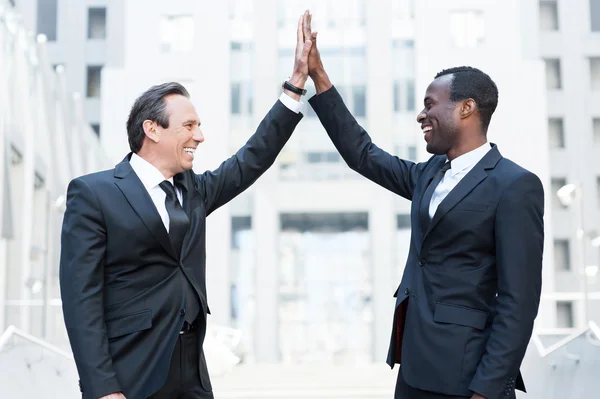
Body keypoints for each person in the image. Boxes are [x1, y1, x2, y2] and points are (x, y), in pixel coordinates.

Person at [59, 14, 314, 399]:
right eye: (189, 126)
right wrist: (102, 389)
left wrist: (294, 87)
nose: (200, 136)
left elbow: (252, 159)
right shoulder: (93, 194)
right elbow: (81, 301)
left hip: (191, 373)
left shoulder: (194, 191)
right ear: (152, 129)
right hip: (131, 376)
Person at [298, 12, 544, 399]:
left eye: (430, 104)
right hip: (414, 367)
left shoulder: (515, 186)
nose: (421, 115)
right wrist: (320, 80)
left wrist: (488, 388)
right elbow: (363, 155)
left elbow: (520, 301)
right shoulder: (428, 175)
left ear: (466, 109)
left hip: (468, 378)